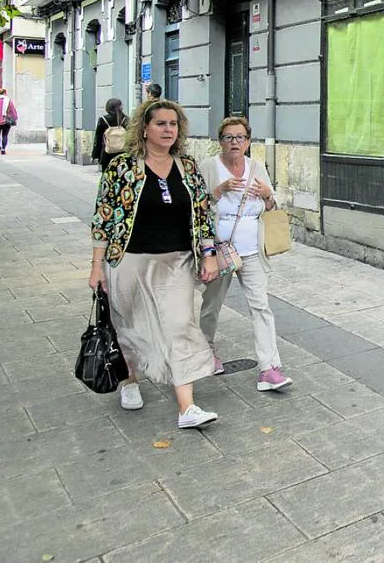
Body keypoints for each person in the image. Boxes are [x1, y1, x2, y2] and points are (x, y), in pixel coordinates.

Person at [89, 98, 221, 429]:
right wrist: (96, 265)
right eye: (161, 123)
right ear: (144, 129)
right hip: (128, 260)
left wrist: (209, 254)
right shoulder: (121, 166)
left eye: (173, 124)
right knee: (130, 327)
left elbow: (203, 215)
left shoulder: (188, 167)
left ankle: (187, 407)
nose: (168, 130)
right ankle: (130, 380)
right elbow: (103, 217)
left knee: (180, 326)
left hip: (176, 261)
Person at [201, 116, 293, 391]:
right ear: (220, 141)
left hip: (252, 250)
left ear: (248, 142)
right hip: (220, 250)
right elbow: (198, 206)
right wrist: (218, 191)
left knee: (260, 306)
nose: (234, 142)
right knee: (211, 305)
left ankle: (269, 368)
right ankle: (206, 354)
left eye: (240, 137)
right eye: (229, 137)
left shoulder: (257, 167)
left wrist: (267, 195)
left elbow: (270, 205)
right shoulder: (209, 167)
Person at [92, 98, 127, 173]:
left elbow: (98, 139)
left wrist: (95, 155)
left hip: (107, 154)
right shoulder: (125, 119)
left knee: (107, 177)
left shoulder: (103, 119)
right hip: (123, 154)